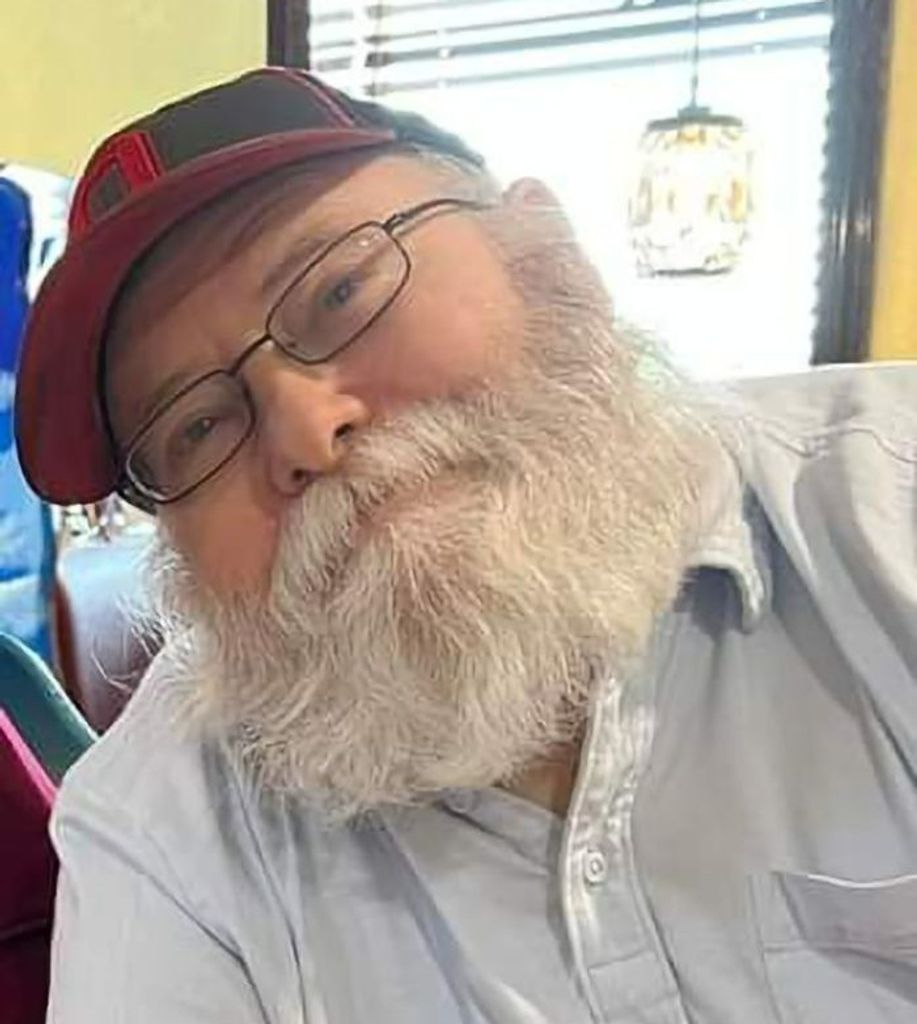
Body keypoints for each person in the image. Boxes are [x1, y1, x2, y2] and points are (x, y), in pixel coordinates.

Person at [15, 68, 917, 1024]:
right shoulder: (158, 828)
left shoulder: (883, 507)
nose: (304, 430)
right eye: (195, 429)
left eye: (342, 291)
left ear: (549, 258)